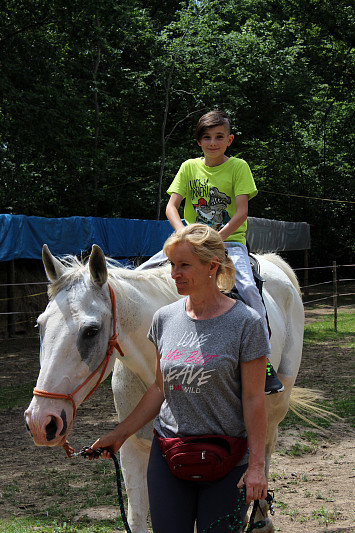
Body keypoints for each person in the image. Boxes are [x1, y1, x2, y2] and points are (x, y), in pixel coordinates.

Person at [90, 224, 268, 533]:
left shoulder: (246, 323)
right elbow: (160, 388)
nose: (174, 273)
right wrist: (120, 434)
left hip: (227, 458)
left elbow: (254, 399)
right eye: (172, 265)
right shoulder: (165, 319)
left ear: (212, 266)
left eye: (184, 265)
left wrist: (256, 466)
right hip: (170, 453)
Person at [165, 110, 283, 394]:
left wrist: (213, 239)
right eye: (207, 137)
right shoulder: (189, 167)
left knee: (248, 288)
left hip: (229, 243)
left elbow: (241, 213)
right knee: (144, 275)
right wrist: (184, 234)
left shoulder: (239, 167)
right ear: (199, 142)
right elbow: (172, 206)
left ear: (229, 140)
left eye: (219, 137)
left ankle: (263, 359)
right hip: (189, 242)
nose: (213, 142)